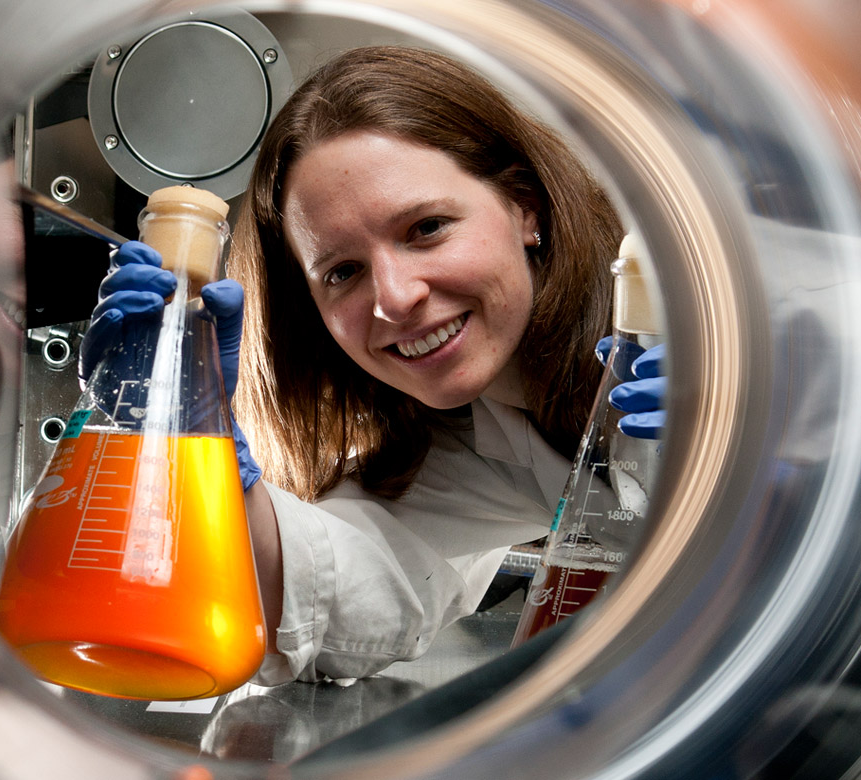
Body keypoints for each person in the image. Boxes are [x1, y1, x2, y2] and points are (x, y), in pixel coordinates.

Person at [89, 45, 636, 684]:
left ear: (526, 210)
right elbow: (330, 592)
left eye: (427, 227)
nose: (395, 297)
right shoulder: (477, 437)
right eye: (343, 271)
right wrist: (195, 447)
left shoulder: (714, 312)